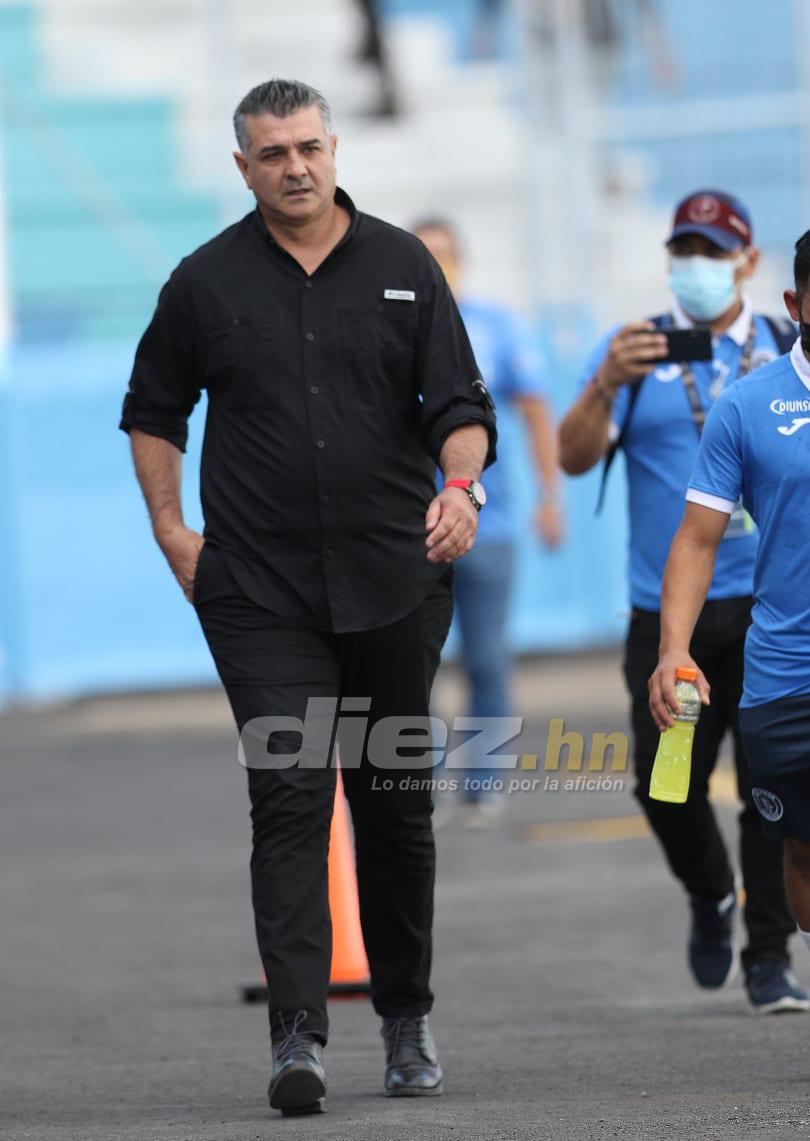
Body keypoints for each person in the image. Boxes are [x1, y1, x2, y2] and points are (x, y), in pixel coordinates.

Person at [119, 79, 496, 1116]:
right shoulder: (203, 283)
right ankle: (298, 1034)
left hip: (395, 582)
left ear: (334, 149)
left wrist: (461, 488)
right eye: (273, 153)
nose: (295, 167)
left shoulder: (405, 266)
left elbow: (461, 407)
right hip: (259, 594)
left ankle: (407, 1015)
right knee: (288, 797)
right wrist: (172, 532)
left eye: (308, 147)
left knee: (394, 803)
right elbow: (153, 411)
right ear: (242, 167)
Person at [558, 189, 805, 1011]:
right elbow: (572, 456)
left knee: (772, 792)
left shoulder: (786, 348)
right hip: (671, 616)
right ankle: (711, 890)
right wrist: (603, 383)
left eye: (713, 250)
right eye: (684, 250)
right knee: (666, 785)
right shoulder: (635, 350)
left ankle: (767, 957)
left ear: (749, 262)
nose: (697, 264)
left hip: (768, 613)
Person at [650, 229, 810, 1012]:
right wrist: (672, 649)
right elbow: (696, 539)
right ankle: (732, 907)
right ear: (796, 303)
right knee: (799, 848)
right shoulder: (747, 406)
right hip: (785, 671)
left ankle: (768, 959)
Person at [413, 219, 563, 826]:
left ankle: (483, 783)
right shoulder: (390, 328)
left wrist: (550, 496)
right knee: (408, 663)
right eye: (426, 256)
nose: (438, 267)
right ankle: (416, 783)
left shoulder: (498, 326)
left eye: (445, 255)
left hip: (489, 526)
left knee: (487, 659)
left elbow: (536, 411)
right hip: (410, 530)